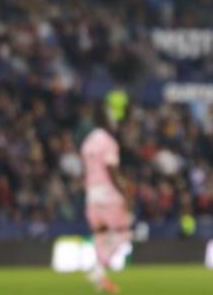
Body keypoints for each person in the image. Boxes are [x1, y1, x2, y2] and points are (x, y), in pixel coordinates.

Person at [80, 107, 132, 294]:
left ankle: (98, 271)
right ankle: (101, 264)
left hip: (92, 193)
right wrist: (124, 193)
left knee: (100, 233)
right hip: (108, 193)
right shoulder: (108, 142)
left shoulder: (88, 141)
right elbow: (111, 169)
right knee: (123, 231)